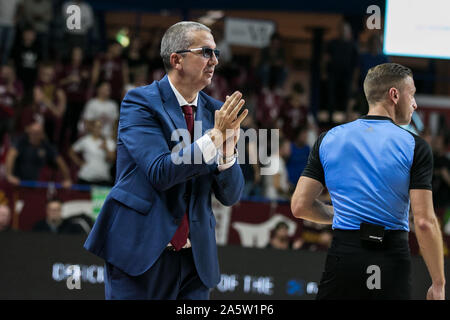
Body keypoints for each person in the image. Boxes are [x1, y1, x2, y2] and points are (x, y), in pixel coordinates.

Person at [84, 21, 248, 300]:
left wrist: (228, 151)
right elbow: (160, 171)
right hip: (139, 253)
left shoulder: (217, 112)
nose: (215, 61)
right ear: (177, 59)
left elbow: (231, 195)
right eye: (206, 52)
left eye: (216, 52)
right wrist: (213, 139)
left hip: (195, 261)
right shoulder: (140, 102)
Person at [291, 63, 445, 300]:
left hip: (344, 255)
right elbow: (424, 222)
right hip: (389, 257)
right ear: (394, 95)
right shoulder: (415, 146)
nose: (414, 104)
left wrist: (343, 214)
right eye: (411, 94)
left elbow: (300, 206)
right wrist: (438, 282)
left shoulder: (329, 138)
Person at [5, 120, 72, 188]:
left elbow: (60, 161)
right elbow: (11, 156)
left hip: (35, 183)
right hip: (17, 182)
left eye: (37, 133)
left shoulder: (46, 145)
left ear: (42, 134)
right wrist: (9, 175)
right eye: (33, 132)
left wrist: (67, 179)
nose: (34, 135)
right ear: (29, 132)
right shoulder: (21, 141)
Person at [69, 119, 116, 186]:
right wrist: (79, 162)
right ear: (92, 128)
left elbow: (112, 159)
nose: (98, 129)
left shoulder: (109, 142)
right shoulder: (85, 140)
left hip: (103, 179)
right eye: (96, 127)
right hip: (86, 177)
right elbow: (71, 151)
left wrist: (106, 148)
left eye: (100, 127)